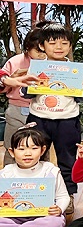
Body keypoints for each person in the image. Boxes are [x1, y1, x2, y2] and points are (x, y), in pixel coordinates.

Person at [22, 22, 83, 213]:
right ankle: (37, 197)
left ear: (70, 46)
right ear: (42, 46)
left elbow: (82, 98)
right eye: (52, 43)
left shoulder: (75, 70)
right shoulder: (36, 68)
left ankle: (68, 197)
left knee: (67, 160)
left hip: (67, 121)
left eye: (64, 43)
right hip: (38, 119)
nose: (59, 47)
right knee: (34, 157)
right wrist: (30, 85)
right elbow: (25, 94)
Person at [0, 126, 69, 226]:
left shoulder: (50, 171)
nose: (28, 153)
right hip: (12, 217)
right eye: (21, 149)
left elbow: (63, 196)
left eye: (34, 148)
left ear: (42, 150)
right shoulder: (5, 174)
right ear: (12, 152)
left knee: (55, 221)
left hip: (43, 216)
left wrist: (59, 208)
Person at [1, 26, 47, 165]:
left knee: (41, 147)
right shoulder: (15, 61)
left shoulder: (52, 63)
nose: (42, 54)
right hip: (17, 109)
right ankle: (8, 176)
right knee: (13, 145)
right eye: (38, 51)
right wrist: (11, 80)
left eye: (44, 50)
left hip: (43, 111)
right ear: (28, 47)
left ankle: (43, 176)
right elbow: (3, 86)